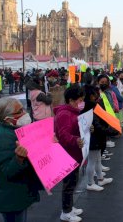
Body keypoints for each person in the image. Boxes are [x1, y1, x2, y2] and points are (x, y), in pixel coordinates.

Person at [0, 97, 42, 222]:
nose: (24, 113)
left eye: (23, 109)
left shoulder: (15, 130)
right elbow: (8, 171)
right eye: (19, 111)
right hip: (11, 197)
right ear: (7, 118)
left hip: (18, 193)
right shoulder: (2, 138)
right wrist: (19, 158)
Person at [53, 85, 85, 222]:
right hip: (68, 155)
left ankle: (70, 207)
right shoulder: (65, 114)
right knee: (68, 184)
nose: (81, 102)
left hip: (75, 154)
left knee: (73, 183)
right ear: (71, 100)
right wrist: (76, 139)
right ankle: (65, 212)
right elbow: (64, 136)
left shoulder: (73, 112)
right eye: (80, 100)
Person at [81, 85, 113, 192]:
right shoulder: (92, 106)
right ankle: (90, 183)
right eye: (95, 94)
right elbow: (97, 124)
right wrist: (109, 130)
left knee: (97, 159)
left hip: (94, 136)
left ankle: (100, 178)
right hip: (93, 137)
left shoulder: (85, 106)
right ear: (91, 95)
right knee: (92, 161)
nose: (96, 96)